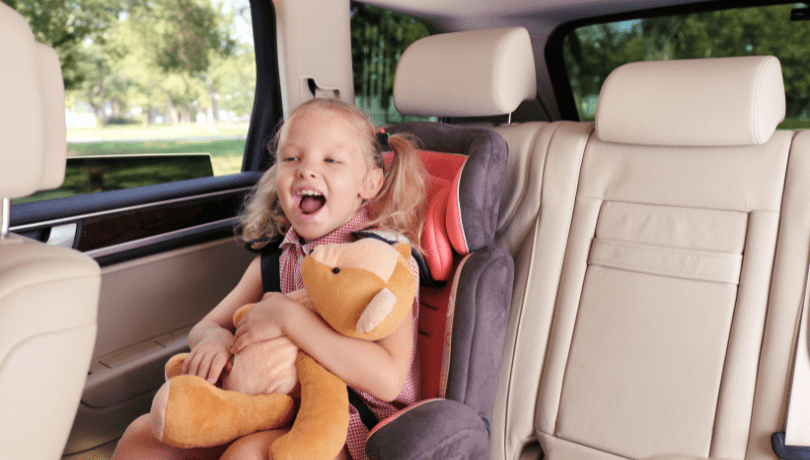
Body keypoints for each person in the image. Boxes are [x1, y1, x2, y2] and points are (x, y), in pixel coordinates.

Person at [111, 97, 427, 460]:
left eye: (331, 160)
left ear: (369, 183)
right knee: (142, 437)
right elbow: (208, 323)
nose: (306, 170)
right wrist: (215, 339)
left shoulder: (381, 261)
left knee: (248, 456)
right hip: (274, 402)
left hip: (344, 418)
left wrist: (290, 319)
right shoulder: (280, 258)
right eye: (292, 158)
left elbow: (388, 380)